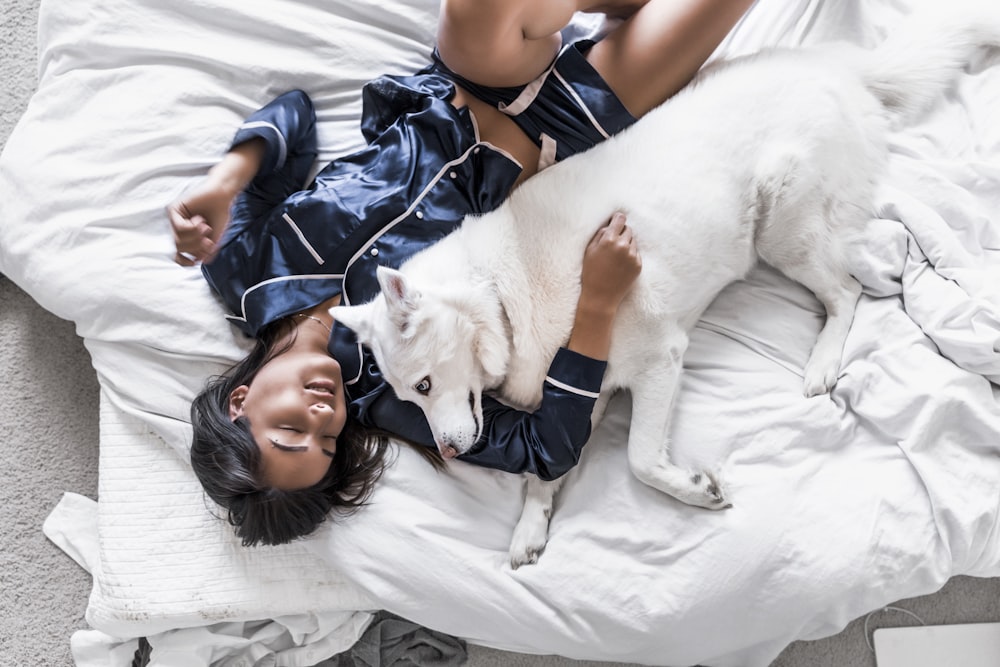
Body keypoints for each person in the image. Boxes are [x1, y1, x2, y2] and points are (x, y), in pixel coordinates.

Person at [169, 0, 756, 546]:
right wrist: (598, 306)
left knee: (475, 7)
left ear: (240, 402)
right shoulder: (394, 393)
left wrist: (226, 179)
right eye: (325, 443)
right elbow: (545, 448)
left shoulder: (241, 272)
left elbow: (292, 115)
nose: (323, 418)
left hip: (468, 85)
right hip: (568, 139)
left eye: (291, 431)